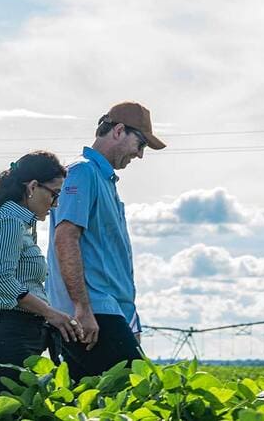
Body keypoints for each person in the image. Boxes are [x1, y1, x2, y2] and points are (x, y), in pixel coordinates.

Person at [46, 102, 166, 381]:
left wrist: (129, 317)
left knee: (90, 401)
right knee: (140, 393)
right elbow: (66, 238)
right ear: (119, 131)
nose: (140, 154)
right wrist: (83, 309)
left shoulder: (105, 180)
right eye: (141, 144)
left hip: (109, 311)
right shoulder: (82, 172)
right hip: (94, 312)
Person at [0, 150, 84, 394]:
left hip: (21, 334)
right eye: (54, 194)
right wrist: (50, 312)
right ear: (32, 187)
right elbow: (0, 280)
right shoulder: (9, 221)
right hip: (8, 338)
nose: (56, 204)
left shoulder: (21, 222)